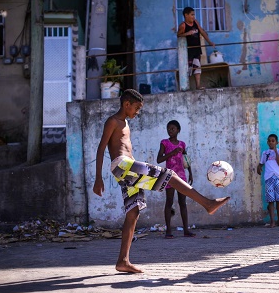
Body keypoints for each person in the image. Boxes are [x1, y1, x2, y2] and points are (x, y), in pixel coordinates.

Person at [93, 89, 230, 273]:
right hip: (122, 165)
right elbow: (101, 149)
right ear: (126, 104)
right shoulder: (113, 121)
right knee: (170, 175)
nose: (137, 112)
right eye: (136, 108)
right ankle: (207, 203)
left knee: (133, 212)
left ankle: (123, 261)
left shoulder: (125, 123)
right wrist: (98, 178)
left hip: (128, 167)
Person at [157, 120, 196, 239]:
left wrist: (190, 173)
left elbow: (186, 160)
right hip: (169, 176)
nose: (170, 131)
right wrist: (172, 153)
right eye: (168, 129)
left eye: (173, 129)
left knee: (182, 203)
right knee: (169, 202)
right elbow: (159, 159)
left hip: (181, 176)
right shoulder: (164, 143)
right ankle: (168, 231)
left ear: (178, 130)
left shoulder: (182, 144)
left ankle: (186, 230)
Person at [177, 6, 215, 90]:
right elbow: (178, 35)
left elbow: (202, 31)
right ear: (186, 15)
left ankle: (198, 86)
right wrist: (187, 33)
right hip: (188, 51)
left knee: (197, 68)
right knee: (188, 69)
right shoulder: (183, 25)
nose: (193, 16)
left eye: (194, 15)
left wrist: (209, 42)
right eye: (192, 15)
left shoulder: (195, 23)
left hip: (197, 49)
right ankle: (185, 87)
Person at [256, 134, 279, 228]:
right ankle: (272, 221)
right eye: (269, 141)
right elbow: (261, 163)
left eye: (273, 141)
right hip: (268, 178)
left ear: (276, 142)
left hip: (278, 177)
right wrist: (259, 167)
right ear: (267, 142)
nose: (271, 142)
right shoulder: (265, 153)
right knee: (270, 200)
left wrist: (275, 152)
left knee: (278, 200)